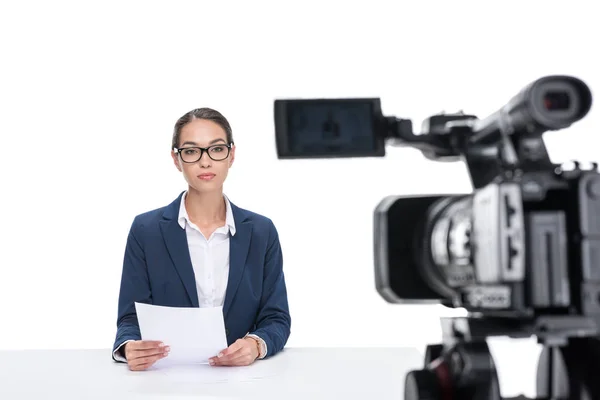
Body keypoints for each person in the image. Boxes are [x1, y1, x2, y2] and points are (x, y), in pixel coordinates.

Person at [111, 107, 291, 371]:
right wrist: (129, 347)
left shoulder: (261, 231)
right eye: (192, 151)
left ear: (231, 155)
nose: (205, 162)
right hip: (167, 379)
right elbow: (130, 318)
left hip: (247, 381)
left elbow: (277, 318)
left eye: (216, 149)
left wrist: (255, 344)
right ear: (176, 159)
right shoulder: (146, 230)